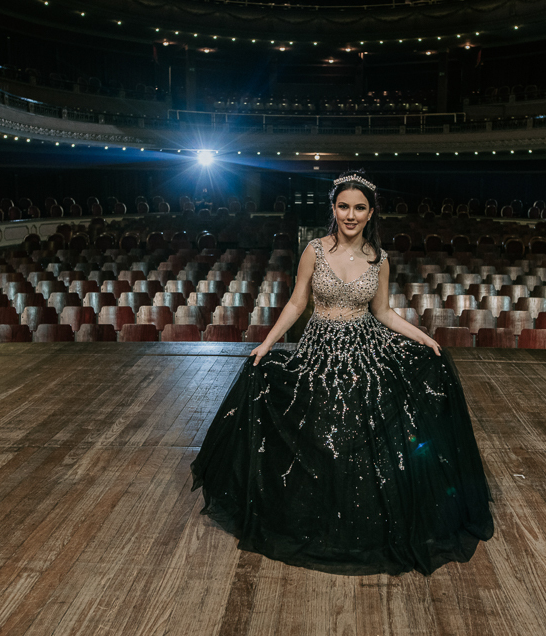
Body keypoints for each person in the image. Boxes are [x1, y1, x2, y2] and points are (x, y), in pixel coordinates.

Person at [190, 172, 494, 575]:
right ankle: (316, 517)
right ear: (334, 209)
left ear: (371, 212)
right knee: (318, 431)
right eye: (344, 206)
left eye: (360, 207)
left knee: (366, 435)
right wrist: (267, 343)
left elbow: (383, 312)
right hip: (319, 350)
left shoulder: (379, 259)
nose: (351, 215)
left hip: (365, 348)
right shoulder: (313, 250)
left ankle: (362, 523)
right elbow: (298, 303)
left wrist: (423, 337)